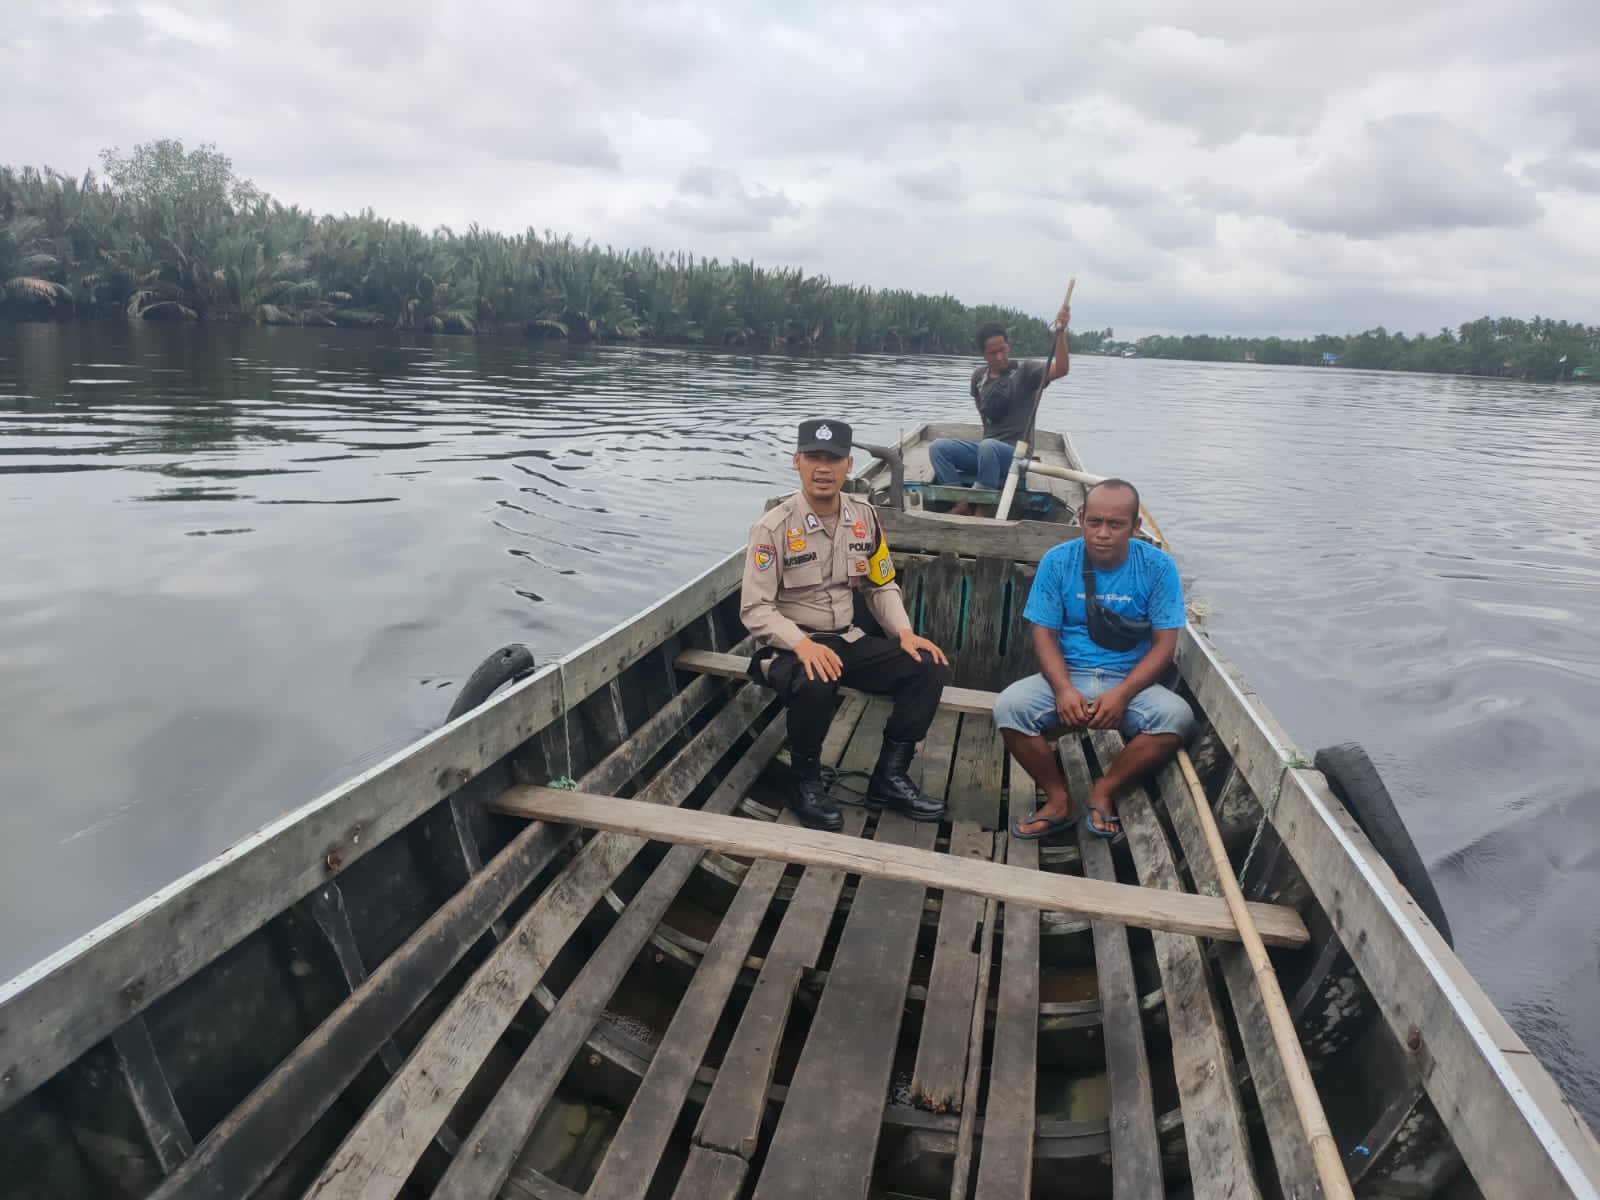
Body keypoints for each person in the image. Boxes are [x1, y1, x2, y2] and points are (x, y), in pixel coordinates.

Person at [741, 419, 951, 831]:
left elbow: (880, 584)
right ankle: (804, 781)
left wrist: (904, 633)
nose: (824, 467)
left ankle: (889, 778)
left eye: (833, 458)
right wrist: (802, 646)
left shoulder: (864, 517)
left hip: (847, 639)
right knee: (817, 677)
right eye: (814, 457)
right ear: (797, 462)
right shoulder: (773, 527)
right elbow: (755, 609)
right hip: (788, 647)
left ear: (849, 465)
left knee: (927, 665)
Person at [992, 478, 1194, 839]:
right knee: (1009, 707)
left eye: (1116, 524)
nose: (1103, 533)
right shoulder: (1058, 561)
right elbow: (1044, 635)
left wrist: (1123, 694)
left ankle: (1104, 789)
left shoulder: (1158, 567)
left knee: (1176, 717)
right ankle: (1058, 799)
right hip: (1068, 674)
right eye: (1095, 522)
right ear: (1081, 518)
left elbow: (1165, 645)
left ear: (1135, 526)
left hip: (1129, 682)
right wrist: (1063, 689)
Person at [929, 302, 1072, 516]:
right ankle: (961, 503)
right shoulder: (979, 378)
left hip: (1016, 456)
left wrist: (1061, 332)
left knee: (989, 447)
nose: (999, 357)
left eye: (1002, 350)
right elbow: (986, 420)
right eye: (992, 353)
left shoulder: (1026, 371)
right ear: (983, 355)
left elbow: (1061, 369)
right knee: (938, 448)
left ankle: (982, 509)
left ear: (1008, 346)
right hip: (987, 452)